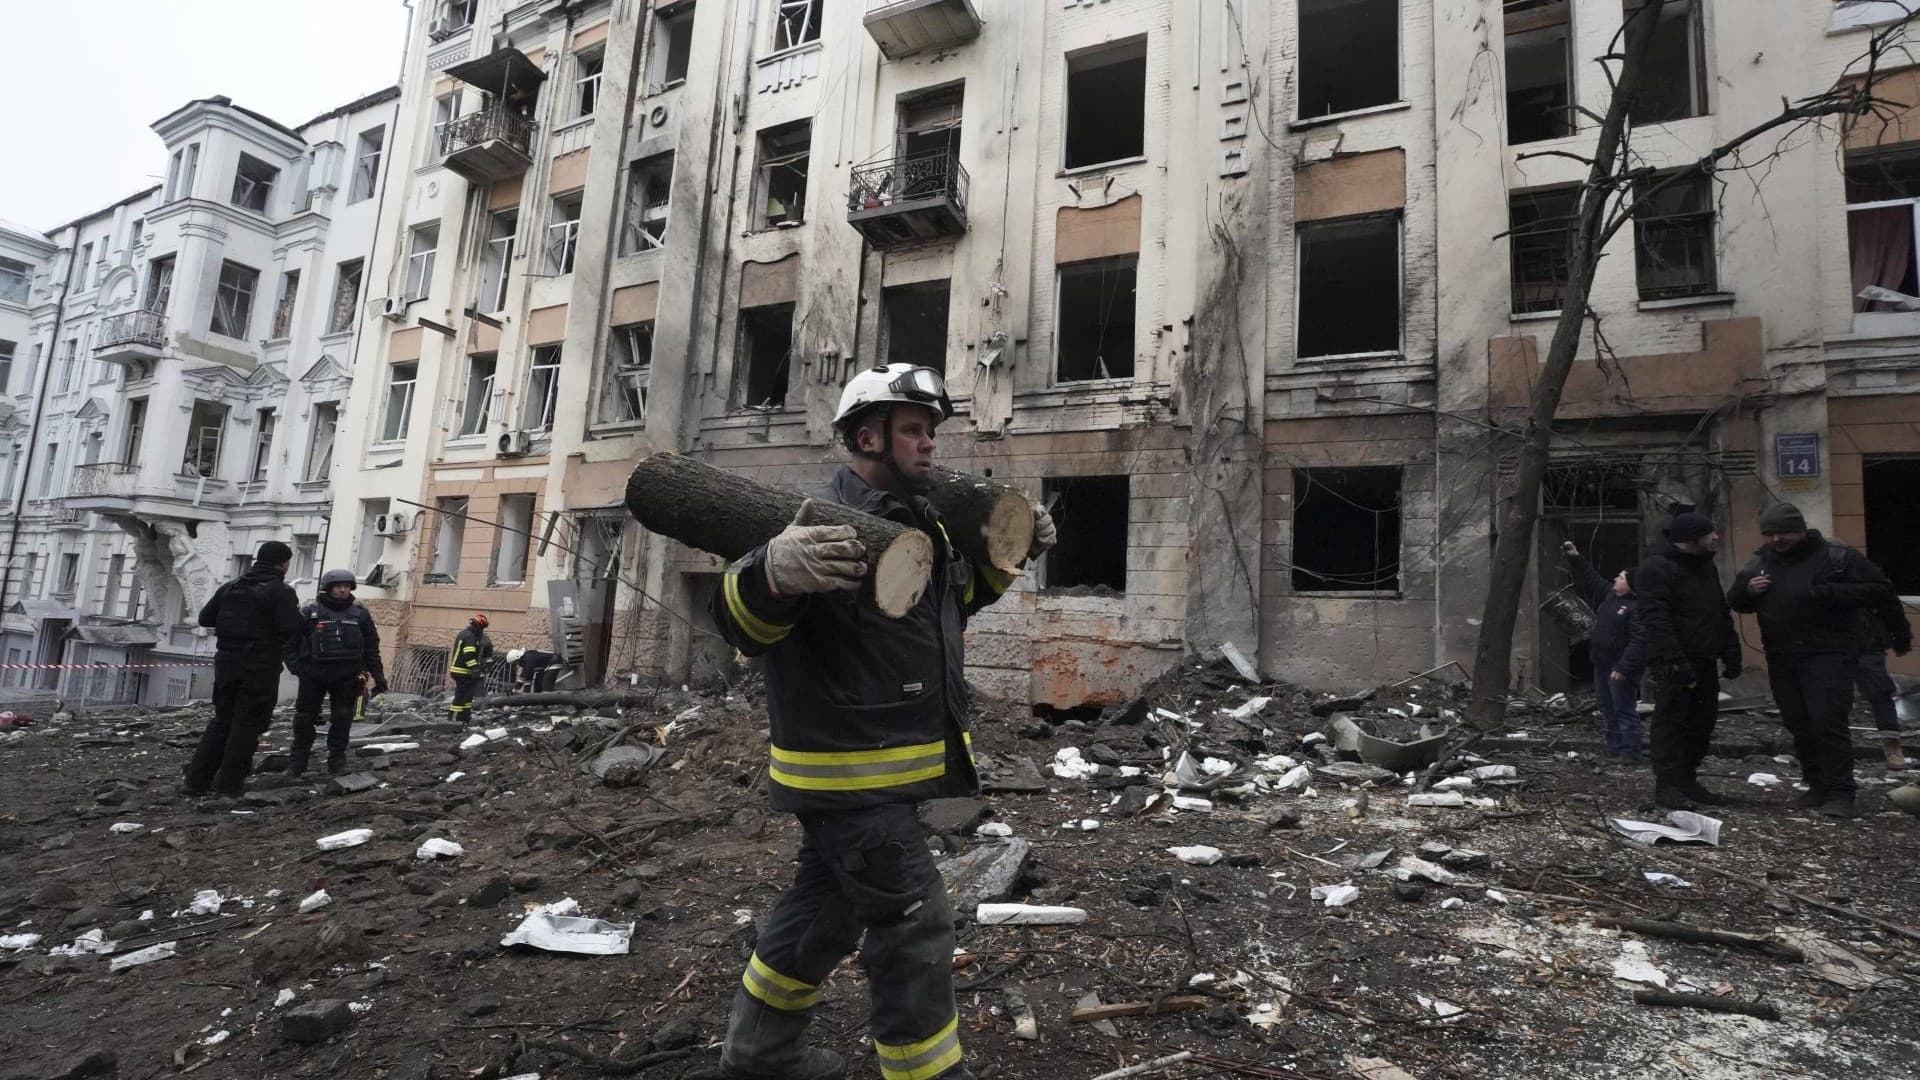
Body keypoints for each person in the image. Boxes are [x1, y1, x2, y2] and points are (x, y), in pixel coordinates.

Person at [708, 363, 1056, 1080]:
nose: (930, 443)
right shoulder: (812, 521)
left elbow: (950, 605)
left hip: (884, 772)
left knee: (824, 912)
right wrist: (770, 572)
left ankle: (758, 1056)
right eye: (914, 430)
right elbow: (744, 628)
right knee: (914, 924)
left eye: (931, 431)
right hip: (849, 775)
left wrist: (1016, 549)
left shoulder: (923, 522)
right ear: (868, 437)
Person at [1728, 503, 1901, 818]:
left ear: (1801, 530)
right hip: (1782, 655)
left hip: (1829, 654)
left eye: (1784, 533)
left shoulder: (1837, 558)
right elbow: (1737, 601)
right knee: (1798, 722)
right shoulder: (1762, 562)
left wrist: (1828, 593)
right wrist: (1748, 591)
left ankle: (1841, 793)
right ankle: (1817, 785)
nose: (1777, 539)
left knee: (1827, 721)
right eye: (1770, 533)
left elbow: (1880, 590)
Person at [1631, 509, 1741, 811]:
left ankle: (1687, 780)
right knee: (1672, 723)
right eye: (1709, 533)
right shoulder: (1657, 568)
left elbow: (1719, 610)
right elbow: (1656, 617)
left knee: (1702, 723)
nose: (1715, 537)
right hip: (1675, 662)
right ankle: (1668, 786)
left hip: (1704, 658)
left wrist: (1731, 649)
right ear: (1692, 539)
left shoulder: (1705, 566)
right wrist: (1673, 659)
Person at [184, 540, 303, 800]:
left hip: (226, 664)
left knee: (222, 721)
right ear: (284, 564)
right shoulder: (280, 591)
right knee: (247, 726)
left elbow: (205, 618)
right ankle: (229, 785)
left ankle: (196, 781)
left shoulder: (231, 587)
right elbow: (292, 628)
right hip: (259, 667)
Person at [287, 569, 388, 777]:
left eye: (346, 586)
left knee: (342, 718)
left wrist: (379, 676)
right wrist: (298, 668)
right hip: (314, 674)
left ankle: (337, 761)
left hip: (346, 675)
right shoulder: (310, 612)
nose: (343, 590)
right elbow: (290, 642)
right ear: (328, 588)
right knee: (304, 718)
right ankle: (297, 763)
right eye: (338, 586)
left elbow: (371, 647)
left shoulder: (360, 614)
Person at [1562, 541, 1645, 758]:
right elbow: (1592, 579)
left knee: (1623, 709)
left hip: (1619, 667)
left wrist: (1623, 667)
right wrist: (1575, 557)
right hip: (1601, 663)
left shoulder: (1636, 609)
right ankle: (1614, 749)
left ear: (1631, 585)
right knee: (1607, 708)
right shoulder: (1611, 596)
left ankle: (1630, 753)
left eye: (1621, 577)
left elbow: (1638, 641)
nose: (1616, 578)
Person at [1856, 584, 1914, 770]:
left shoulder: (1864, 574)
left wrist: (1901, 637)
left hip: (1866, 640)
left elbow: (1889, 603)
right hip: (1827, 642)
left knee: (1879, 691)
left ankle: (1892, 747)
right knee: (1827, 694)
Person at [447, 613, 492, 724]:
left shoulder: (467, 634)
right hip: (462, 671)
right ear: (477, 626)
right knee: (461, 696)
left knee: (468, 696)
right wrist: (476, 669)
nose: (482, 630)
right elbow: (468, 656)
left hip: (463, 671)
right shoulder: (469, 637)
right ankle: (454, 720)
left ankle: (465, 719)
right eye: (482, 627)